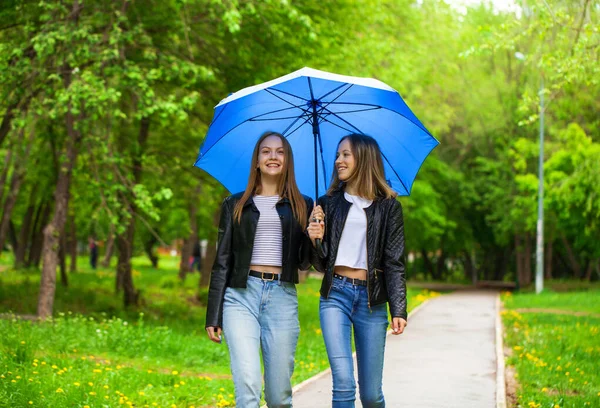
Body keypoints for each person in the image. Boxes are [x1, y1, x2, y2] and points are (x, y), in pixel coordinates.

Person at [205, 131, 313, 408]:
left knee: (278, 397)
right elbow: (222, 261)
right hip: (240, 296)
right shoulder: (235, 204)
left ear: (288, 160)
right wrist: (212, 314)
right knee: (248, 383)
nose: (273, 157)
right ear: (256, 160)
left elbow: (305, 262)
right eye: (266, 151)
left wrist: (316, 236)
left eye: (280, 152)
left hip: (282, 296)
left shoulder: (304, 205)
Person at [307, 134, 408, 408]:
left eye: (345, 155)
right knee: (343, 384)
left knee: (371, 396)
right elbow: (319, 263)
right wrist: (315, 238)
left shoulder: (389, 207)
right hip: (335, 295)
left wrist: (398, 308)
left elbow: (394, 262)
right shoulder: (327, 203)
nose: (338, 160)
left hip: (371, 301)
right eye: (338, 155)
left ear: (364, 158)